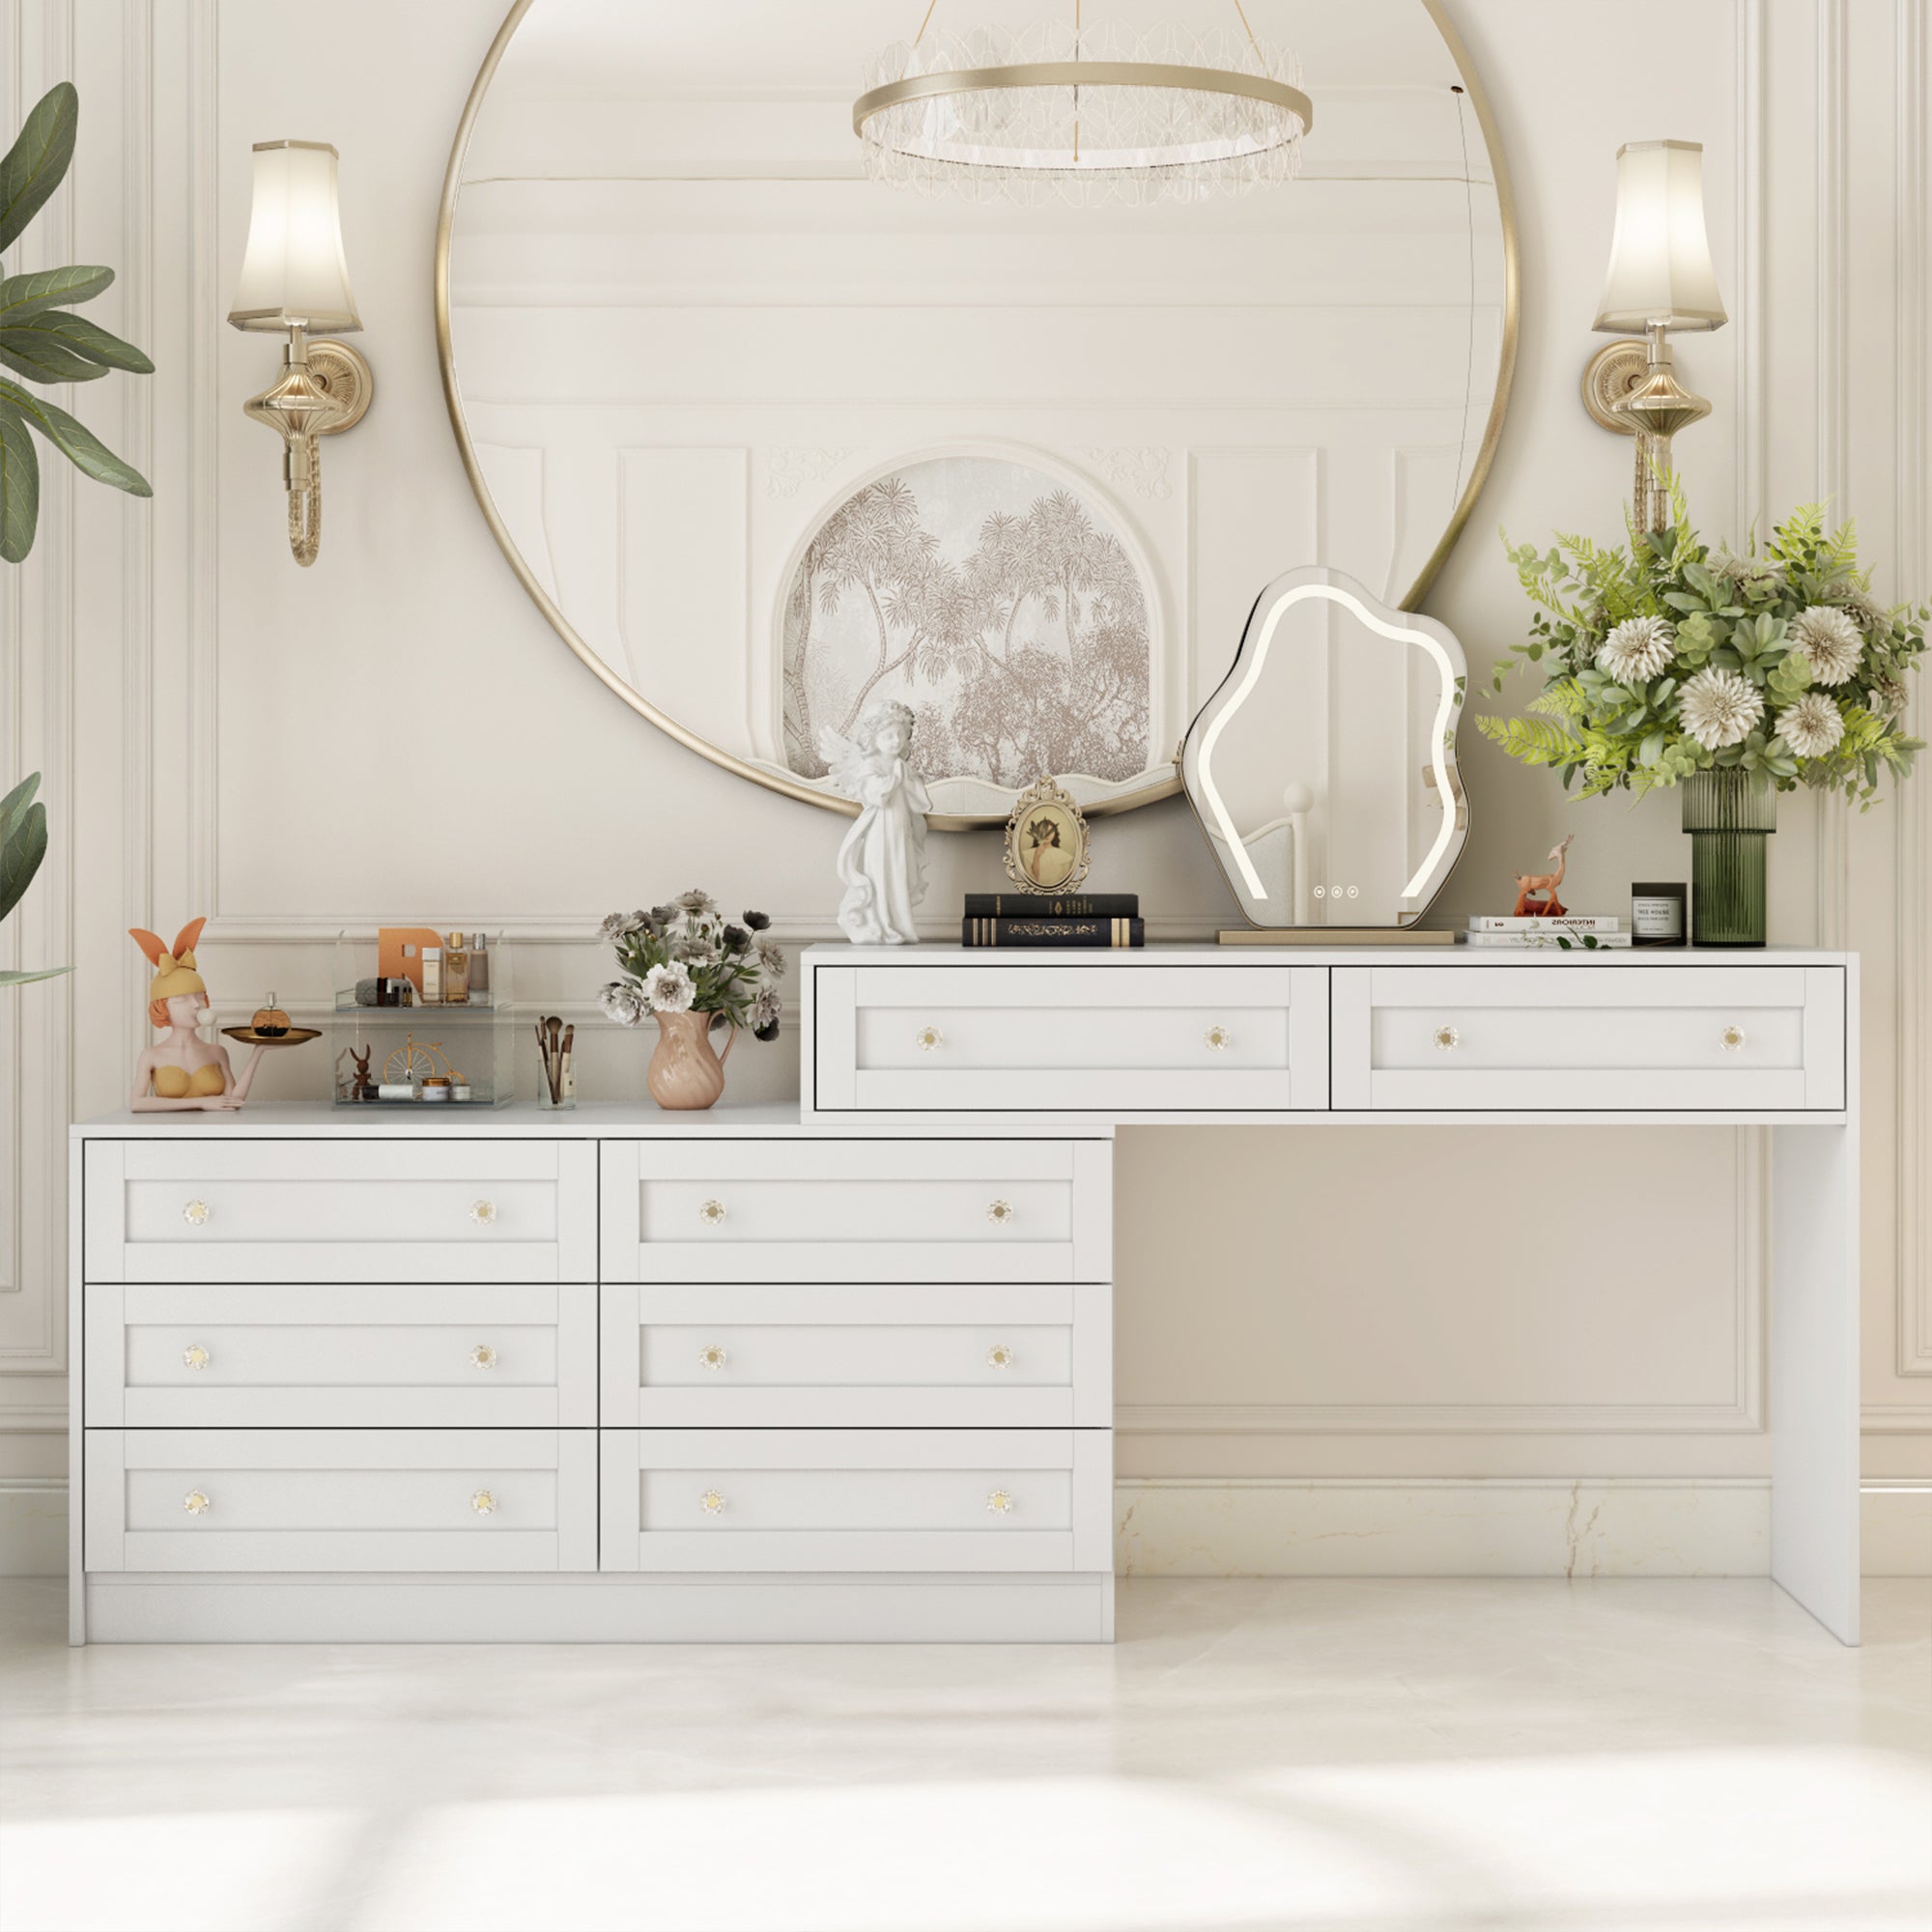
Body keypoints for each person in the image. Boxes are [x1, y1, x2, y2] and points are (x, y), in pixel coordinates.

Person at [822, 701, 931, 944]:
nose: (895, 741)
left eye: (900, 735)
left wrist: (908, 779)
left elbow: (921, 802)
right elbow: (877, 797)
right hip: (880, 830)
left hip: (901, 828)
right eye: (889, 735)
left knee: (901, 871)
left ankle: (901, 925)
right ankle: (881, 924)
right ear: (875, 738)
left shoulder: (902, 766)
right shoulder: (869, 765)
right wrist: (895, 778)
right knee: (882, 873)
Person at [128, 919, 265, 1111]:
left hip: (215, 1132)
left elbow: (233, 1100)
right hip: (169, 1136)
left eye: (200, 997)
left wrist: (257, 1052)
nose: (195, 1005)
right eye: (181, 1000)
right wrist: (201, 1102)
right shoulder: (151, 1055)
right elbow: (137, 1103)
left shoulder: (216, 1052)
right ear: (162, 1007)